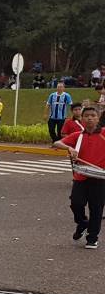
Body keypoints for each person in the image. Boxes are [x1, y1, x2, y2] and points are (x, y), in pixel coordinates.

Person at [54, 104, 105, 250]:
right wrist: (69, 148)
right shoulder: (78, 136)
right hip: (81, 176)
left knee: (96, 209)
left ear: (98, 118)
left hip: (100, 177)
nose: (90, 119)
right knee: (76, 203)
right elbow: (57, 143)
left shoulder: (103, 133)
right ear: (82, 119)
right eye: (86, 116)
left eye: (93, 116)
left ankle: (92, 238)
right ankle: (82, 223)